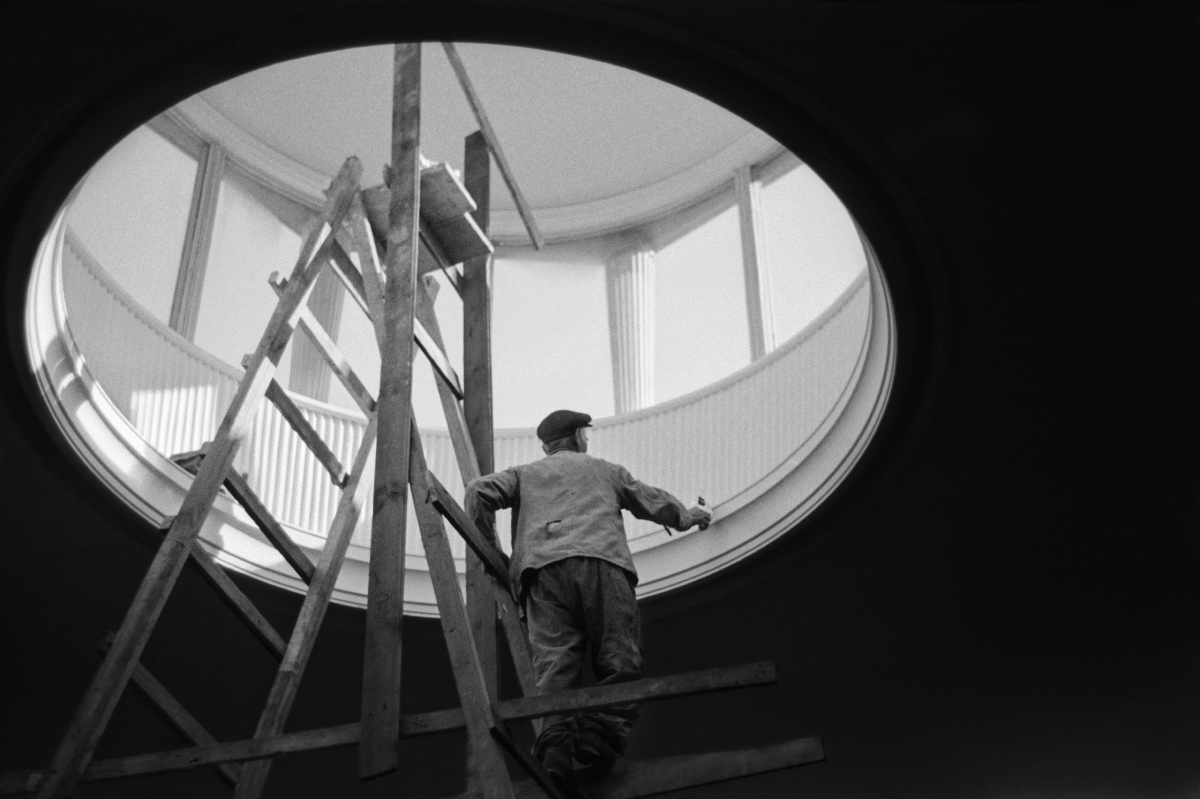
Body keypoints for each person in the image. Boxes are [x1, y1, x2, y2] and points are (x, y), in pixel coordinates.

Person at [465, 409, 711, 793]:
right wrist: (689, 516)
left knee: (556, 668)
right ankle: (599, 735)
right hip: (602, 565)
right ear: (580, 436)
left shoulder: (524, 474)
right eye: (586, 434)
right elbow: (650, 500)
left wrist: (495, 555)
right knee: (620, 659)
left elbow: (478, 491)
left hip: (541, 574)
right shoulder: (604, 470)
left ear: (546, 447)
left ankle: (556, 753)